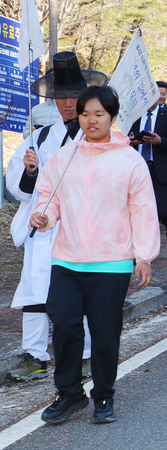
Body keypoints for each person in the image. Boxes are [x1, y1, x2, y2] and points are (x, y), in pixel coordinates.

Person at [30, 85, 159, 425]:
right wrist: (43, 215)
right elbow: (49, 195)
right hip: (67, 259)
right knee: (66, 326)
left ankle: (103, 395)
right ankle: (69, 393)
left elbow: (142, 209)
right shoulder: (66, 156)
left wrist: (143, 255)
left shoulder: (129, 160)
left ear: (113, 117)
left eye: (98, 114)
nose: (90, 120)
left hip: (111, 262)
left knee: (104, 331)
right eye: (85, 114)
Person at [5, 52, 105, 383]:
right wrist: (31, 171)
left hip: (79, 228)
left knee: (81, 292)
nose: (66, 104)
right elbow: (18, 188)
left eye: (73, 97)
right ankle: (35, 355)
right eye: (60, 97)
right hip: (41, 227)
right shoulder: (40, 137)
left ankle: (88, 355)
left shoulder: (98, 136)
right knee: (35, 290)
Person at [129, 82, 167, 258]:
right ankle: (140, 251)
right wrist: (130, 141)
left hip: (160, 168)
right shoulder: (134, 116)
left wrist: (161, 141)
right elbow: (124, 137)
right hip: (138, 170)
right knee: (137, 211)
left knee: (161, 209)